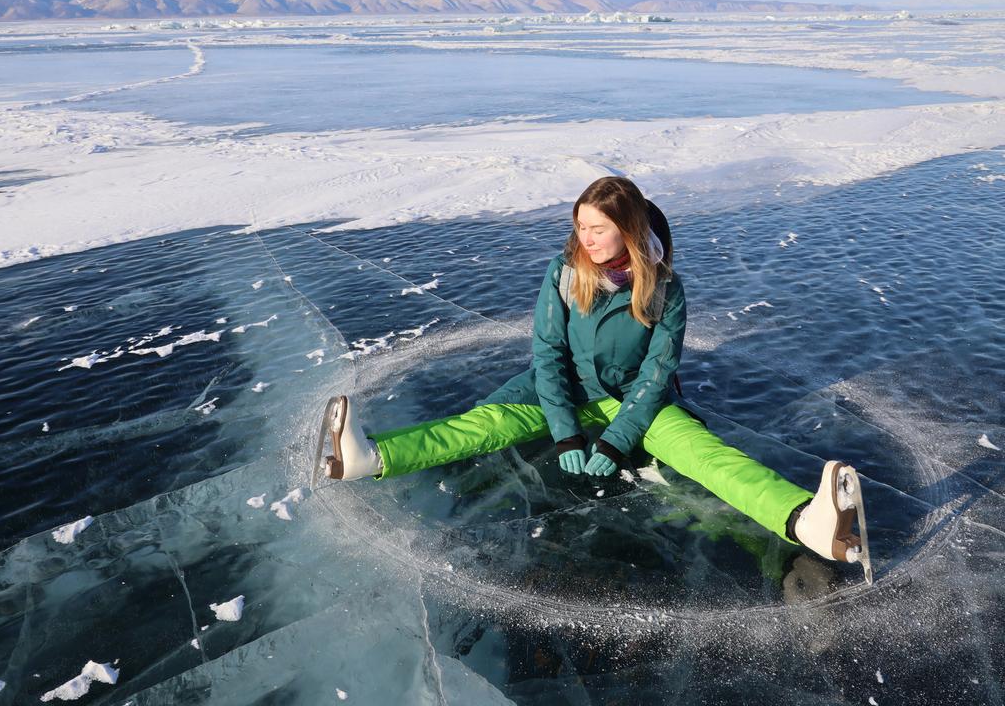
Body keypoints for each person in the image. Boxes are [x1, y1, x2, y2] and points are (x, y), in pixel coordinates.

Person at [318, 176, 868, 571]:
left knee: (707, 457)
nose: (586, 238)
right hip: (553, 394)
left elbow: (657, 373)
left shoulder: (665, 289)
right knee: (481, 426)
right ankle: (371, 458)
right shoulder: (563, 275)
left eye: (598, 228)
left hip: (635, 402)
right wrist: (565, 434)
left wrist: (618, 438)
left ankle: (805, 522)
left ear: (627, 228)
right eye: (580, 226)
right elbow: (548, 356)